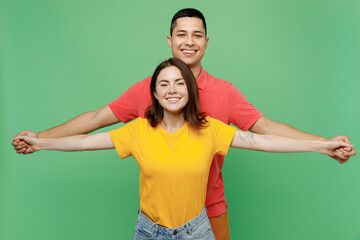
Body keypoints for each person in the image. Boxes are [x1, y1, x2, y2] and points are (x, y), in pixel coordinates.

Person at [11, 8, 356, 239]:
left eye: (196, 35)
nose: (188, 41)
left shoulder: (224, 97)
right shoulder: (147, 94)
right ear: (170, 41)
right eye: (181, 34)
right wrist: (40, 138)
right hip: (156, 217)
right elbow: (92, 125)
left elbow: (263, 133)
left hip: (208, 213)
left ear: (206, 42)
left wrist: (323, 144)